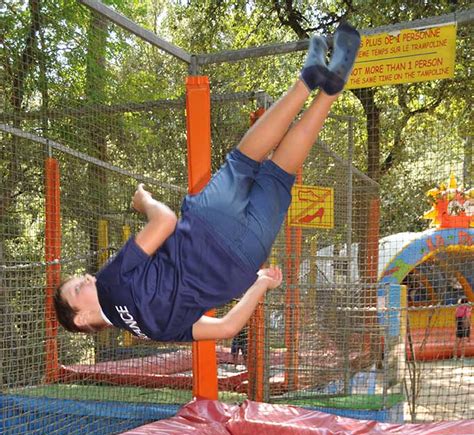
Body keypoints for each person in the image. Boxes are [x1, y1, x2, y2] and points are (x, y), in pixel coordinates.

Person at [54, 23, 361, 343]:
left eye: (82, 279)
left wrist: (261, 283)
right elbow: (165, 221)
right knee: (244, 161)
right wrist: (142, 201)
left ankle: (331, 91)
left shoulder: (150, 332)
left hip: (244, 261)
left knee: (280, 175)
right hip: (205, 228)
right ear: (84, 317)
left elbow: (227, 328)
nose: (87, 278)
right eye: (78, 287)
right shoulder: (109, 284)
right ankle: (305, 82)